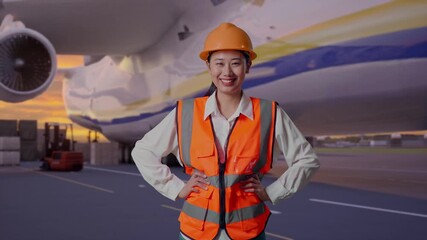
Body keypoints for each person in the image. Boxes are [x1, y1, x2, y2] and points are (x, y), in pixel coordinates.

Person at [131, 22, 320, 240]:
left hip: (248, 232)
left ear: (248, 66)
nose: (227, 72)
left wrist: (272, 192)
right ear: (208, 66)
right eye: (219, 63)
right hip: (195, 233)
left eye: (236, 63)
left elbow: (307, 160)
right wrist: (176, 188)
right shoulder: (186, 113)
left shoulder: (269, 113)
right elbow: (143, 151)